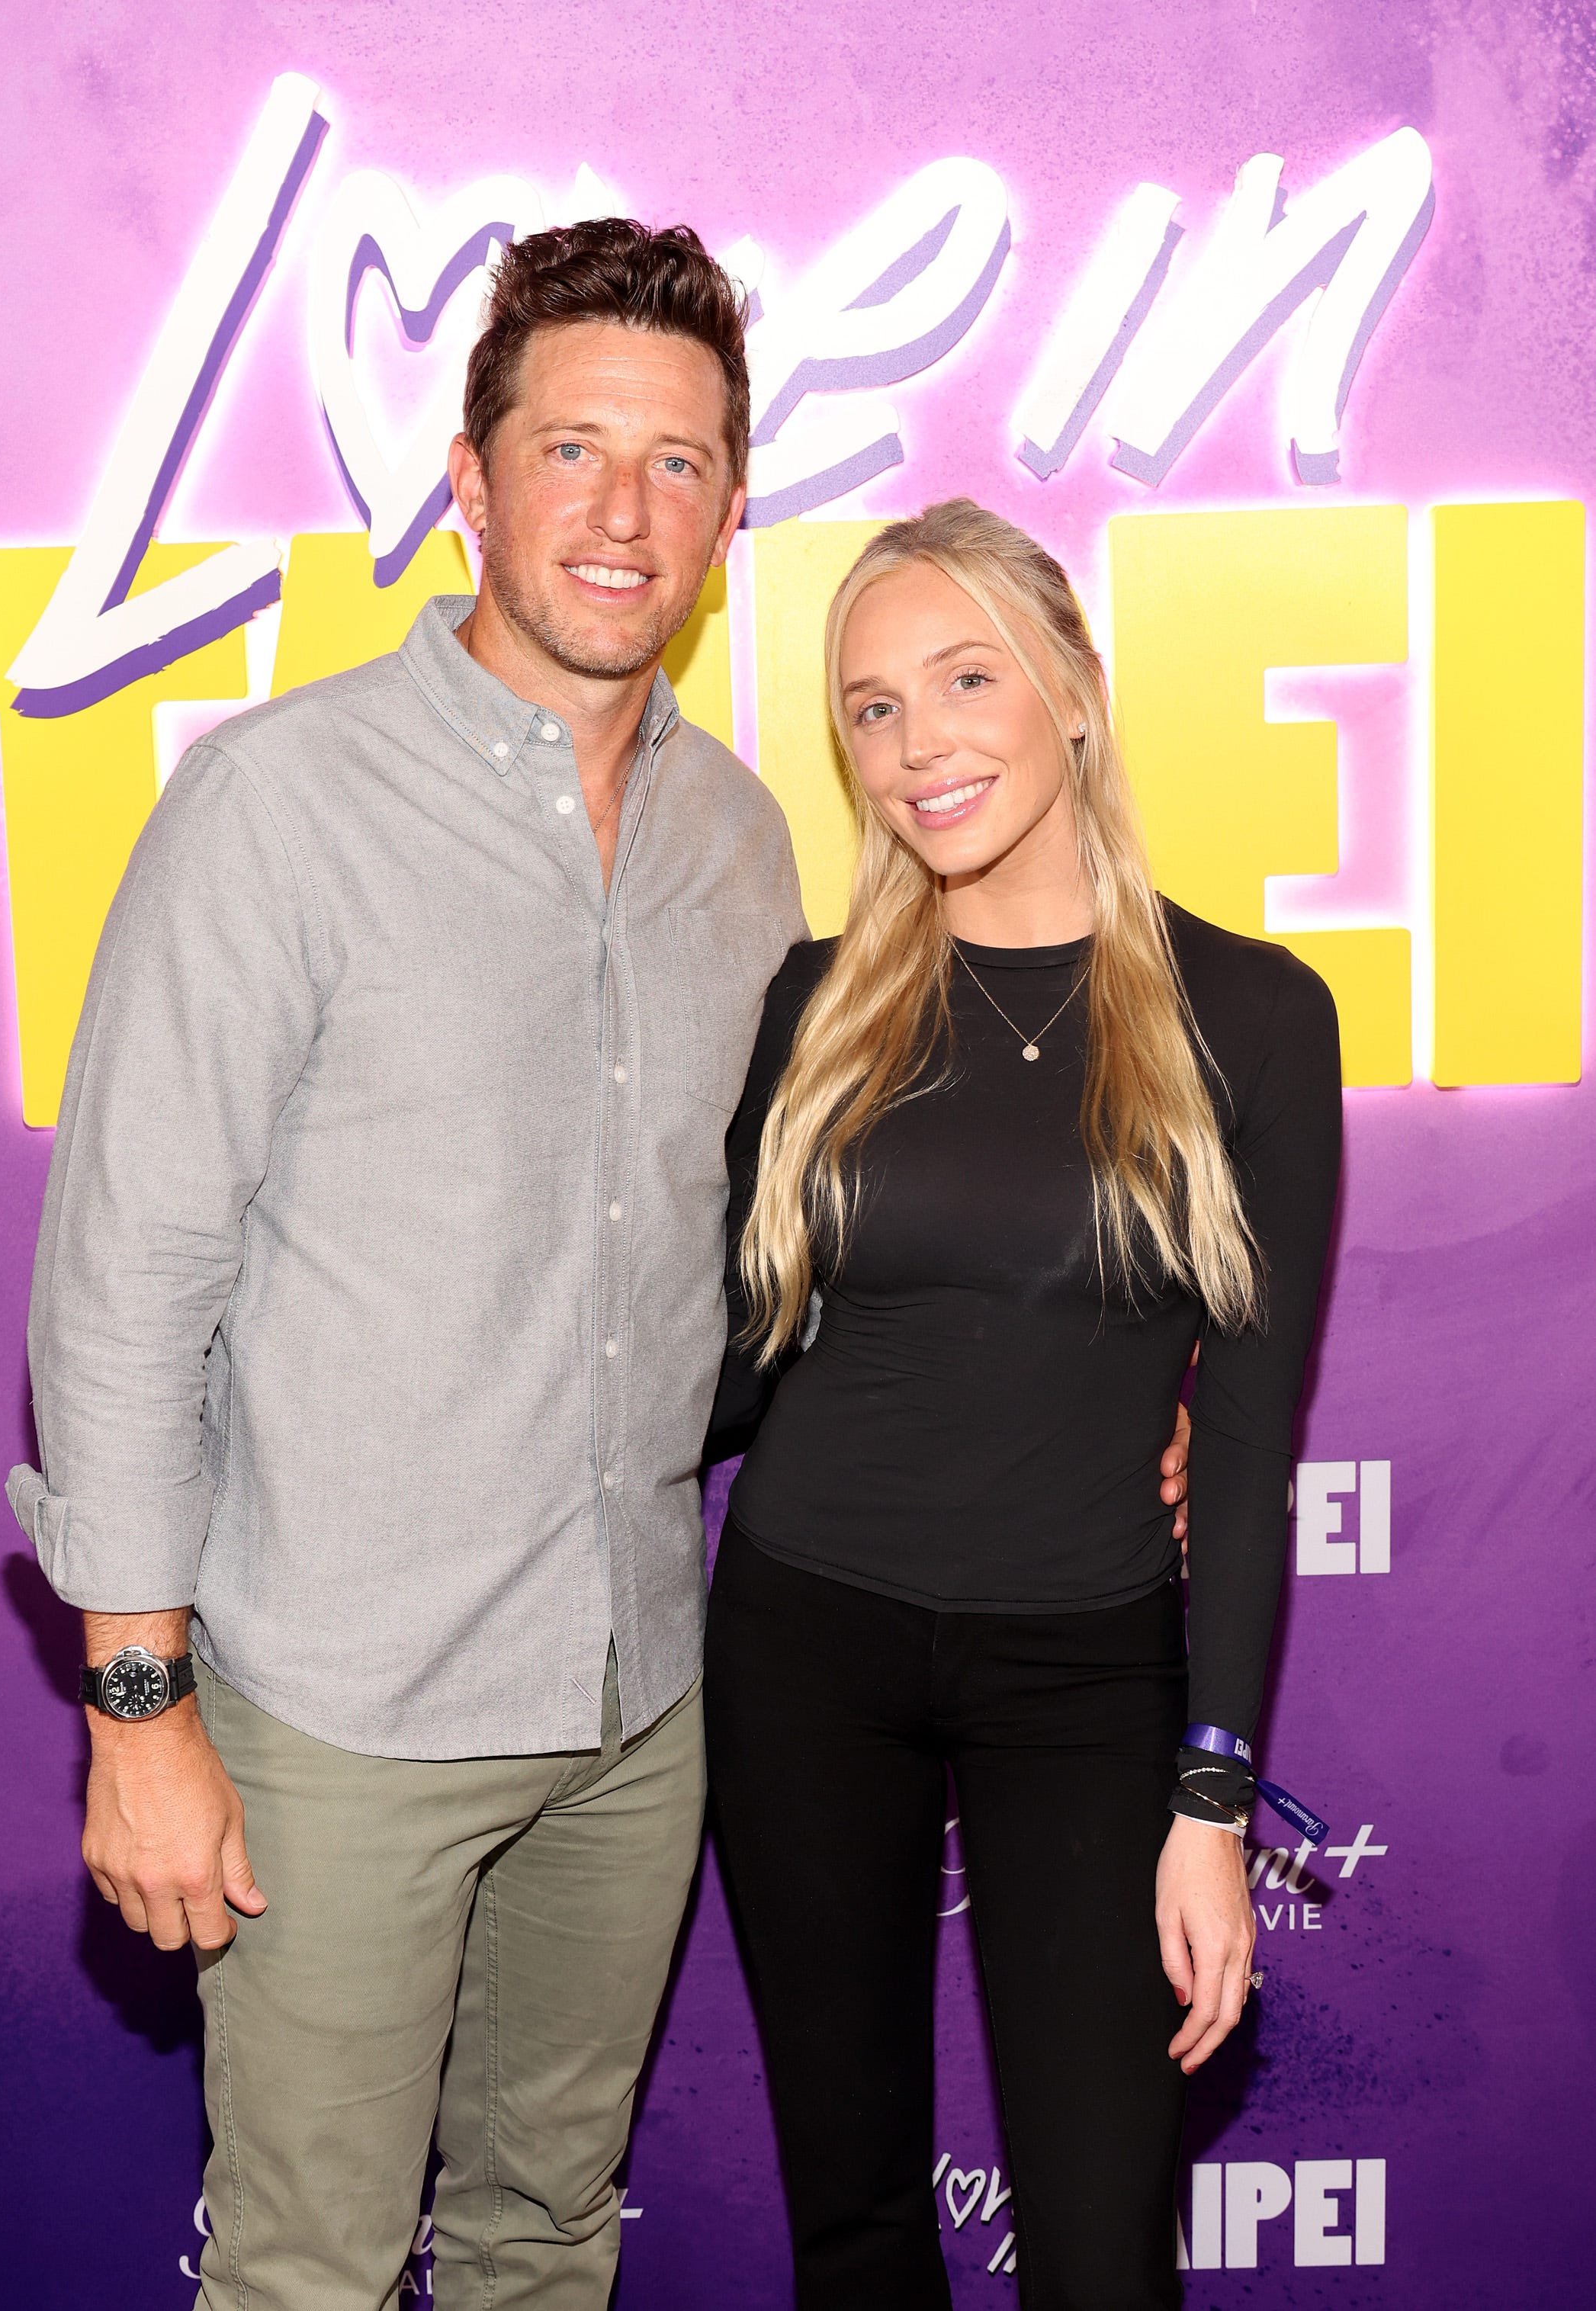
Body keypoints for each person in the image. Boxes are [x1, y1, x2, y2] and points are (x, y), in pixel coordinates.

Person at [5, 220, 807, 2311]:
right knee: (307, 2269)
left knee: (549, 2238)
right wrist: (139, 1710)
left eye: (678, 461)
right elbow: (124, 1286)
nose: (622, 512)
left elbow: (785, 1250)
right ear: (470, 479)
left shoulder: (743, 844)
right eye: (571, 449)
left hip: (632, 1699)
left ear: (731, 503)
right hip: (333, 1711)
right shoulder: (276, 810)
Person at [703, 501, 1342, 2311]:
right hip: (804, 1646)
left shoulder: (1256, 1015)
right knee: (859, 2227)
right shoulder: (818, 1007)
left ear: (1074, 689)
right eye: (874, 709)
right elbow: (728, 1368)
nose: (921, 745)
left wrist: (1211, 1796)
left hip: (1090, 1672)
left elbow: (1249, 1432)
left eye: (966, 677)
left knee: (1097, 2249)